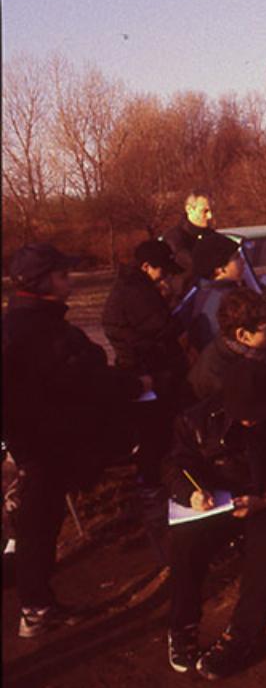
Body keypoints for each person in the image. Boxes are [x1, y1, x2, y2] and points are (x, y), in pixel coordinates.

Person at [3, 244, 147, 637]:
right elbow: (87, 381)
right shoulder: (42, 331)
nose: (70, 280)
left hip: (33, 439)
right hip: (45, 442)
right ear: (44, 281)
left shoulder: (21, 320)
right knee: (39, 524)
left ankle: (36, 603)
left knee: (39, 522)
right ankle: (35, 609)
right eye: (63, 274)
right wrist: (135, 384)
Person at [164, 357, 266, 679]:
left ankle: (242, 636)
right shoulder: (198, 419)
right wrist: (189, 492)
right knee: (185, 539)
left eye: (256, 415)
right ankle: (183, 625)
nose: (249, 423)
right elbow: (176, 465)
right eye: (243, 416)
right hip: (220, 498)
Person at [101, 238, 189, 554]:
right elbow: (165, 329)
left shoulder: (135, 288)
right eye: (161, 271)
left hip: (149, 375)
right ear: (146, 267)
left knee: (156, 446)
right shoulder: (136, 293)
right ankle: (160, 529)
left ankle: (161, 511)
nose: (164, 278)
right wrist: (183, 311)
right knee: (155, 448)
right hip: (147, 379)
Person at [180, 231, 246, 353]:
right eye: (236, 257)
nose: (243, 261)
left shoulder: (199, 291)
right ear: (220, 270)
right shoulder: (225, 301)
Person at [162, 191, 215, 298]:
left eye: (211, 211)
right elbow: (191, 262)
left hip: (209, 296)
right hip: (184, 299)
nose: (210, 216)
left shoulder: (211, 235)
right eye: (204, 211)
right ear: (189, 209)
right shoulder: (174, 237)